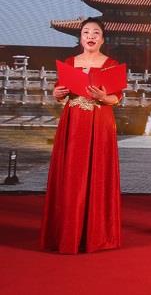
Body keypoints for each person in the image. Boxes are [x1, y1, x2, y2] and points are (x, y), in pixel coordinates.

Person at [40, 18, 122, 254]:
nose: (90, 36)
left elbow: (116, 98)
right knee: (71, 174)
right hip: (73, 122)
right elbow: (60, 93)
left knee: (97, 173)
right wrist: (57, 93)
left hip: (100, 121)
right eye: (86, 32)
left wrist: (103, 97)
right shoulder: (70, 62)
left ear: (103, 39)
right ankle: (68, 232)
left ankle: (95, 234)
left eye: (96, 32)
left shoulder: (111, 64)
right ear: (80, 38)